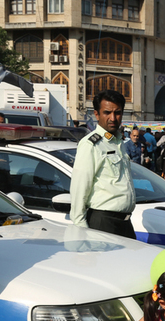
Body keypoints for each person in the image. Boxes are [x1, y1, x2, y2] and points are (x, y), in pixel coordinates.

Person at [70, 90, 136, 239]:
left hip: (124, 223)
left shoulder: (118, 142)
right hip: (103, 222)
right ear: (97, 114)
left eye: (117, 113)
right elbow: (79, 189)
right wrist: (81, 231)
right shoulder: (91, 145)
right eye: (107, 112)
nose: (113, 118)